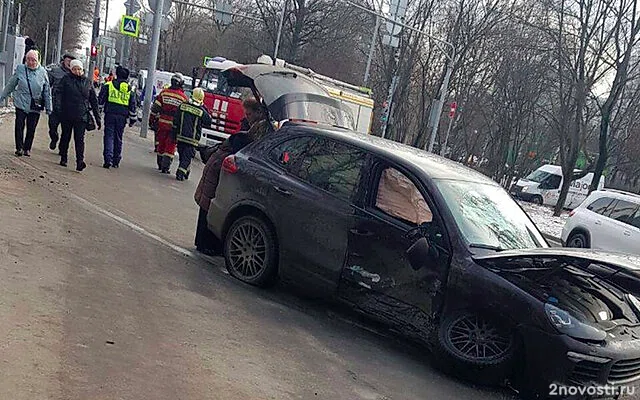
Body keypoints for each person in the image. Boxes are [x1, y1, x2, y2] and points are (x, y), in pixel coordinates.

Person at [193, 98, 271, 255]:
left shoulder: (254, 128)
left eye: (249, 113)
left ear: (258, 113)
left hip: (217, 165)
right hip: (218, 167)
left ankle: (205, 243)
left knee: (209, 204)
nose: (246, 116)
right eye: (246, 113)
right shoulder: (252, 130)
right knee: (210, 205)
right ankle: (206, 244)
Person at [0, 49, 52, 157]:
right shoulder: (20, 69)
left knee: (31, 128)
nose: (30, 62)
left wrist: (48, 106)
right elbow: (11, 84)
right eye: (28, 59)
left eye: (33, 60)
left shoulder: (42, 72)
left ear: (37, 61)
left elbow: (46, 91)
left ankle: (27, 148)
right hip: (21, 102)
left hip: (35, 104)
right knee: (19, 125)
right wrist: (2, 97)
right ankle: (19, 147)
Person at [57, 60, 101, 171]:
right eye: (74, 69)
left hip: (81, 116)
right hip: (67, 114)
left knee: (79, 139)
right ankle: (64, 157)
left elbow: (93, 101)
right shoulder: (66, 80)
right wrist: (58, 109)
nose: (77, 71)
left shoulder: (87, 82)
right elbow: (58, 94)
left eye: (79, 69)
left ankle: (80, 161)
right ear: (71, 70)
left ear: (82, 70)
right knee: (65, 136)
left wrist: (98, 118)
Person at [98, 65, 136, 169]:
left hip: (110, 114)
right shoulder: (130, 89)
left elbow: (101, 101)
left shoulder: (108, 85)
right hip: (122, 117)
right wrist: (133, 119)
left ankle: (107, 159)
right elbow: (132, 105)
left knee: (109, 136)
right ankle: (116, 160)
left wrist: (98, 113)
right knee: (118, 137)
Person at [150, 74, 187, 173]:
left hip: (162, 123)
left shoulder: (164, 93)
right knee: (170, 146)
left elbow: (155, 109)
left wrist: (151, 120)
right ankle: (165, 167)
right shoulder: (183, 97)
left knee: (161, 144)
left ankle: (160, 164)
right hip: (174, 126)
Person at [172, 88, 212, 181]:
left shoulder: (182, 106)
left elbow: (175, 120)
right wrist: (204, 108)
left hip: (181, 137)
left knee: (182, 155)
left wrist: (174, 134)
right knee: (187, 157)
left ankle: (185, 170)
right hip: (192, 140)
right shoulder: (201, 111)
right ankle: (181, 173)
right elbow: (208, 121)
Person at [47, 53, 75, 151]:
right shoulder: (55, 71)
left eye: (71, 61)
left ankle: (63, 149)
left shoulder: (74, 75)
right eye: (68, 61)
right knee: (52, 126)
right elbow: (47, 86)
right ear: (63, 61)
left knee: (66, 131)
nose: (69, 63)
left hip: (67, 108)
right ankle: (54, 138)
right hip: (55, 105)